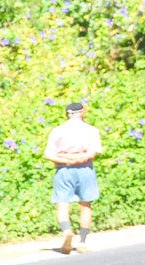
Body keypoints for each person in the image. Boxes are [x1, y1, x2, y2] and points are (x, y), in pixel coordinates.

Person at [43, 101, 103, 254]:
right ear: (82, 112)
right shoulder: (91, 130)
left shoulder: (58, 130)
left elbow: (48, 154)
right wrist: (78, 159)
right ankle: (82, 241)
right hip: (85, 168)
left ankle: (66, 231)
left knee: (62, 203)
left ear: (67, 114)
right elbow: (92, 153)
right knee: (85, 205)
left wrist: (66, 160)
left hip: (63, 169)